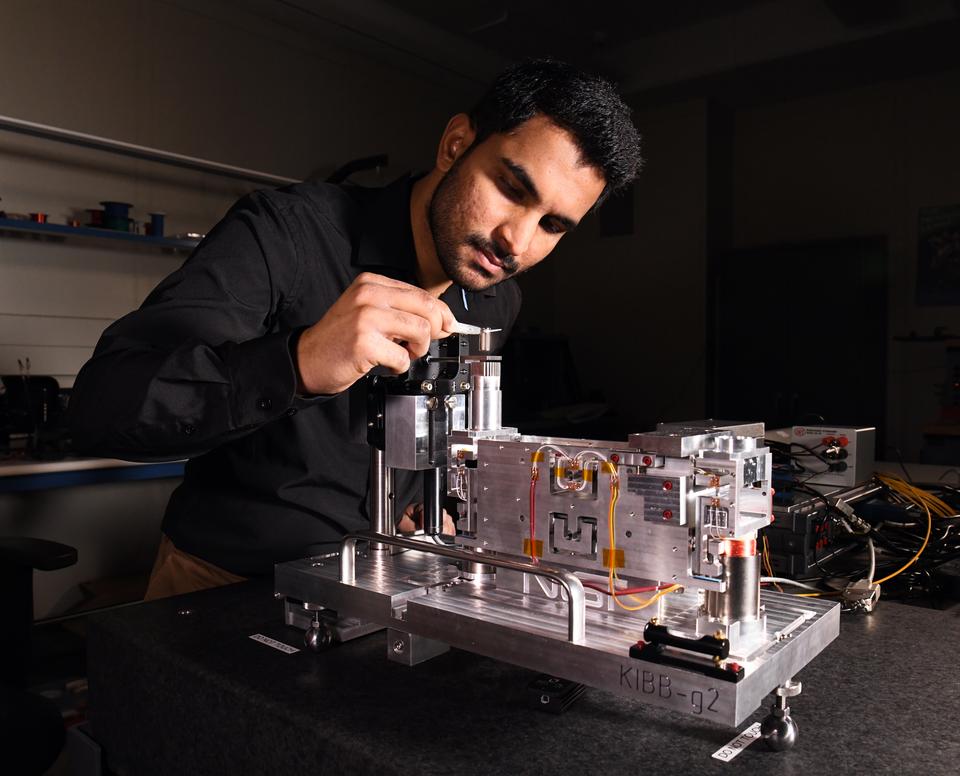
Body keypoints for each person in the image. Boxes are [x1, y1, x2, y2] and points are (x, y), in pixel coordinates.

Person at [67, 59, 643, 599]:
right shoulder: (287, 234)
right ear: (457, 144)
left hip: (386, 587)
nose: (516, 241)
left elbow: (441, 446)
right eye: (512, 190)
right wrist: (298, 365)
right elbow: (102, 409)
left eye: (552, 225)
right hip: (224, 582)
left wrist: (433, 503)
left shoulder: (496, 301)